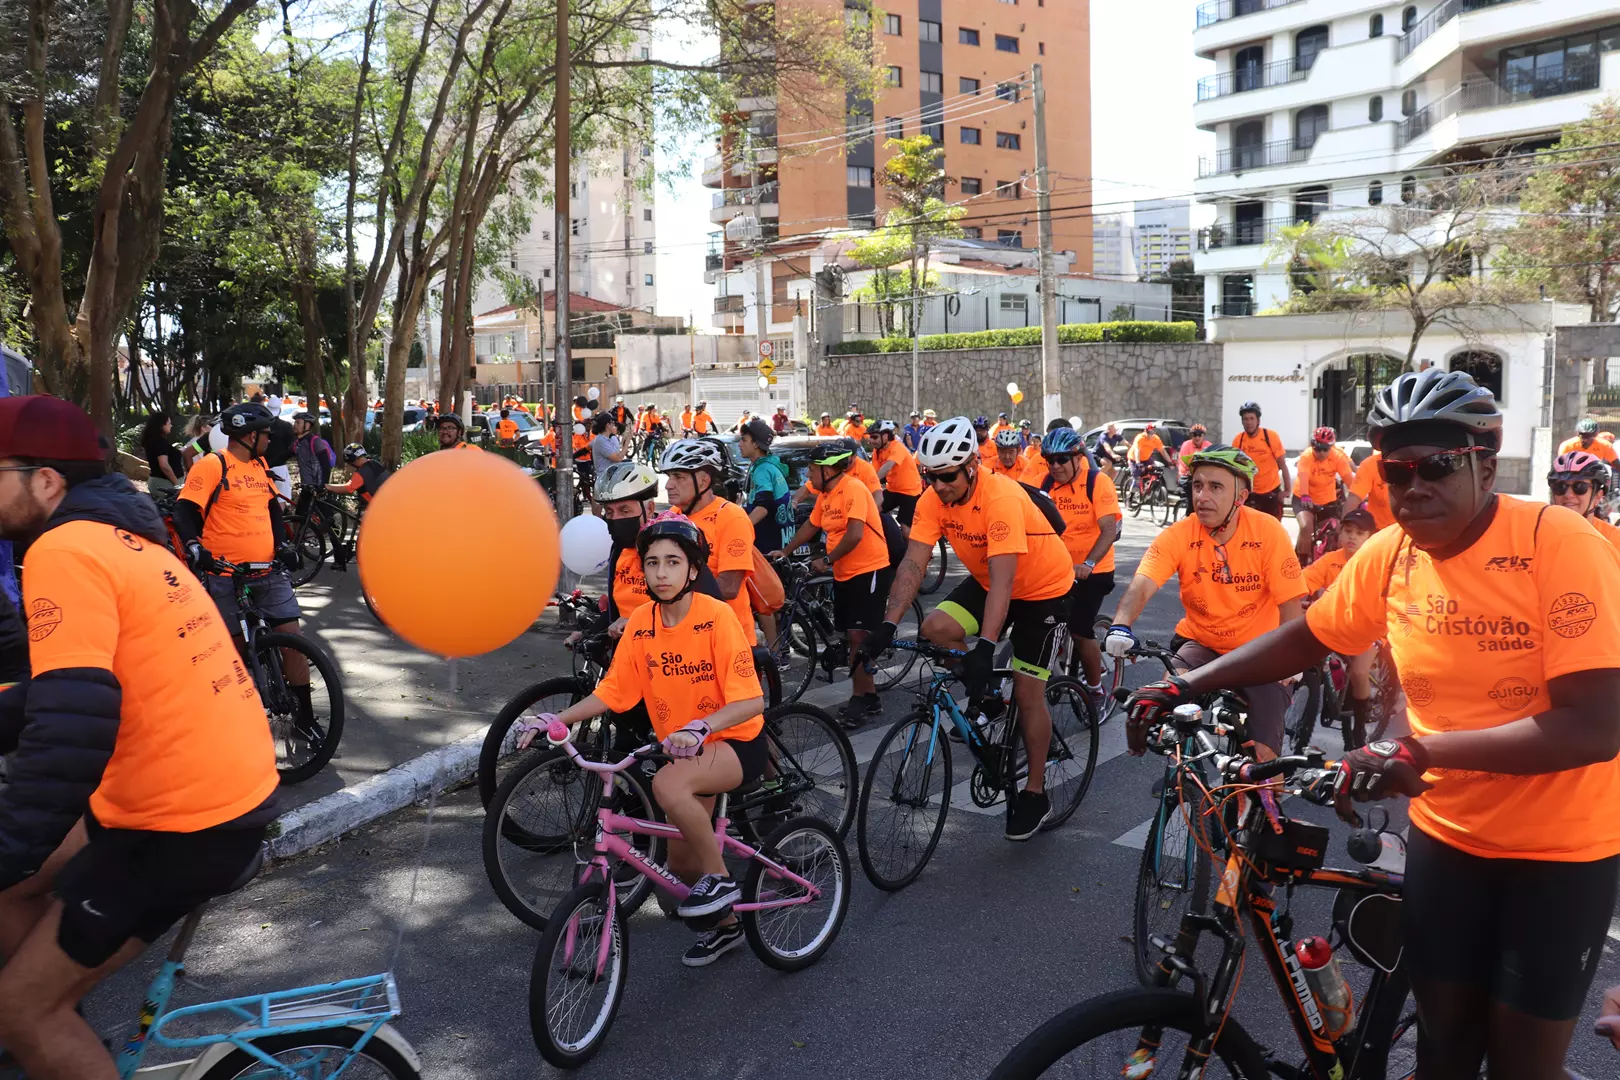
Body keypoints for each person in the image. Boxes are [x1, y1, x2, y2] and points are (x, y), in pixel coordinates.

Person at [1127, 368, 1620, 1080]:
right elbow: (1310, 636)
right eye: (1396, 469)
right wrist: (1184, 682)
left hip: (1561, 857)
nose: (1413, 484)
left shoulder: (1560, 543)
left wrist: (1417, 747)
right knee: (1442, 1051)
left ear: (1486, 462)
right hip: (1449, 840)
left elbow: (1595, 725)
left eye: (1438, 465)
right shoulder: (1391, 555)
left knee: (1519, 1066)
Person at [0, 397, 278, 1078]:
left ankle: (49, 1021)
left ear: (44, 482)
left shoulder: (63, 549)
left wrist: (9, 843)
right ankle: (65, 1023)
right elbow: (74, 690)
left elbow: (71, 729)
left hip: (180, 824)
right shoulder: (126, 539)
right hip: (198, 792)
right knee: (11, 894)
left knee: (21, 1010)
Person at [517, 512, 767, 967]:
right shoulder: (642, 623)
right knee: (678, 881)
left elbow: (751, 701)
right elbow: (614, 692)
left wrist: (700, 727)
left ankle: (722, 877)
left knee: (667, 786)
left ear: (693, 569)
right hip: (687, 751)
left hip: (734, 743)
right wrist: (558, 718)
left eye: (673, 562)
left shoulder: (717, 617)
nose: (661, 573)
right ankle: (728, 927)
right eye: (652, 563)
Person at [862, 416, 1074, 841]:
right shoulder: (932, 500)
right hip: (987, 581)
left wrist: (987, 646)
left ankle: (1035, 793)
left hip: (1043, 589)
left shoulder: (1001, 500)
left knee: (1029, 692)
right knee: (936, 628)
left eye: (948, 477)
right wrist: (888, 623)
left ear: (973, 466)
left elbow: (1005, 581)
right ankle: (991, 699)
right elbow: (913, 562)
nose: (940, 486)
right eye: (931, 477)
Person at [1105, 446, 1304, 758]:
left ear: (1240, 496)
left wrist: (1292, 658)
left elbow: (1291, 603)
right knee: (1164, 703)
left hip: (1261, 652)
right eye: (1197, 485)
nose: (1202, 496)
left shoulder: (1268, 532)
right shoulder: (1182, 533)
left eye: (1215, 487)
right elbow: (1142, 584)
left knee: (1265, 761)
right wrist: (1120, 626)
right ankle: (1181, 778)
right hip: (1202, 643)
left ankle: (1261, 801)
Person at [775, 444, 894, 727]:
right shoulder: (827, 494)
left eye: (813, 469)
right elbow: (811, 527)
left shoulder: (853, 488)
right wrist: (786, 551)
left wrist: (826, 560)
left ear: (828, 470)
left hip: (869, 569)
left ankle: (860, 699)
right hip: (845, 572)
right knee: (850, 636)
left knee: (858, 636)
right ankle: (871, 696)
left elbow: (854, 535)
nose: (808, 473)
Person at [1041, 426, 1119, 711]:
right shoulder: (1045, 484)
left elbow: (1109, 530)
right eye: (1049, 459)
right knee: (1039, 619)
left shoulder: (1097, 483)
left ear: (1078, 457)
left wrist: (1087, 563)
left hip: (1093, 570)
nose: (1055, 466)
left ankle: (1096, 689)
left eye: (1062, 459)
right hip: (1058, 568)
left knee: (1080, 629)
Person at [658, 439, 756, 638]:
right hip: (684, 633)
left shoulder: (731, 516)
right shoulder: (673, 514)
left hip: (727, 636)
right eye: (669, 477)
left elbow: (729, 587)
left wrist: (668, 587)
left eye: (678, 476)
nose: (668, 485)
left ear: (703, 481)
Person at [1299, 507, 1379, 746]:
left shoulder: (1375, 563)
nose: (1352, 537)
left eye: (1360, 533)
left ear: (1371, 538)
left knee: (1359, 672)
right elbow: (1303, 581)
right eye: (1348, 531)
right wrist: (1293, 595)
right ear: (1340, 535)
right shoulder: (1331, 560)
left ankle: (1359, 730)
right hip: (1334, 625)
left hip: (1368, 629)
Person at [1293, 426, 1355, 562]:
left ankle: (1333, 559)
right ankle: (1302, 562)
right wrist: (1305, 495)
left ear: (1331, 447)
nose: (1321, 453)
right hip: (1303, 498)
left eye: (1325, 449)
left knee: (1337, 528)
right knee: (1306, 526)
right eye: (1317, 448)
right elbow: (1303, 477)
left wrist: (1359, 497)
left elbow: (1350, 481)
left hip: (1327, 499)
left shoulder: (1337, 456)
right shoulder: (1307, 456)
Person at [739, 419, 793, 555]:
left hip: (769, 545)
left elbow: (763, 508)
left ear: (756, 444)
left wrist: (739, 529)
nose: (739, 444)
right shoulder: (771, 464)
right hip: (782, 539)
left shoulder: (762, 470)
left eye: (744, 440)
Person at [1547, 449, 1620, 549]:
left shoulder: (1615, 540)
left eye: (1580, 487)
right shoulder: (1536, 535)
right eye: (1560, 487)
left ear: (1598, 495)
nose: (1568, 495)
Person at [1231, 401, 1290, 520]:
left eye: (1252, 418)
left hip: (1271, 492)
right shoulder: (1239, 440)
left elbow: (1282, 465)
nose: (1249, 422)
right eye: (1245, 419)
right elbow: (1235, 469)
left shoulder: (1270, 436)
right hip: (1249, 493)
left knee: (1272, 530)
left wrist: (1287, 490)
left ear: (1258, 420)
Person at [872, 419, 923, 527]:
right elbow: (873, 472)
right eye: (870, 437)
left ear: (885, 436)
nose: (872, 441)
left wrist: (871, 481)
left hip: (910, 491)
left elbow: (887, 466)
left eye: (875, 437)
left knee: (905, 529)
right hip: (893, 490)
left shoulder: (897, 447)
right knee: (873, 509)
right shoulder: (877, 451)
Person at [290, 411, 336, 495]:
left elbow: (325, 466)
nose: (295, 425)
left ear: (307, 425)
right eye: (295, 422)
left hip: (316, 489)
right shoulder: (297, 443)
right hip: (306, 488)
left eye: (298, 423)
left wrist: (322, 487)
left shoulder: (315, 442)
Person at [1348, 447, 1394, 531]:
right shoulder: (1370, 465)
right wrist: (1345, 528)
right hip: (1377, 530)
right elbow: (1354, 496)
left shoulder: (1415, 462)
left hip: (1407, 531)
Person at [139, 412, 183, 497]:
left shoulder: (153, 441)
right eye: (169, 423)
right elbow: (164, 465)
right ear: (162, 425)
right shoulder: (160, 443)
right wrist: (177, 484)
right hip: (165, 484)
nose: (171, 426)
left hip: (158, 482)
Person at [1127, 422, 1172, 495]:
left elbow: (1162, 451)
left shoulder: (1156, 439)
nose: (1151, 435)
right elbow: (1137, 450)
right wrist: (1138, 463)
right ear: (1145, 431)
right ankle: (1131, 494)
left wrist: (1170, 462)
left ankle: (1151, 489)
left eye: (1153, 432)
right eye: (1149, 432)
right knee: (1137, 476)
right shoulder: (1140, 437)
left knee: (1155, 471)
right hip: (1134, 459)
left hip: (1146, 458)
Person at [1175, 423, 1212, 511]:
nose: (1197, 437)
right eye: (1194, 435)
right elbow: (1183, 461)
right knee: (1193, 496)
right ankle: (1191, 513)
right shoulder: (1186, 445)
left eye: (1200, 435)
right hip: (1186, 475)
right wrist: (1189, 471)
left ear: (1203, 436)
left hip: (1202, 476)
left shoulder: (1208, 445)